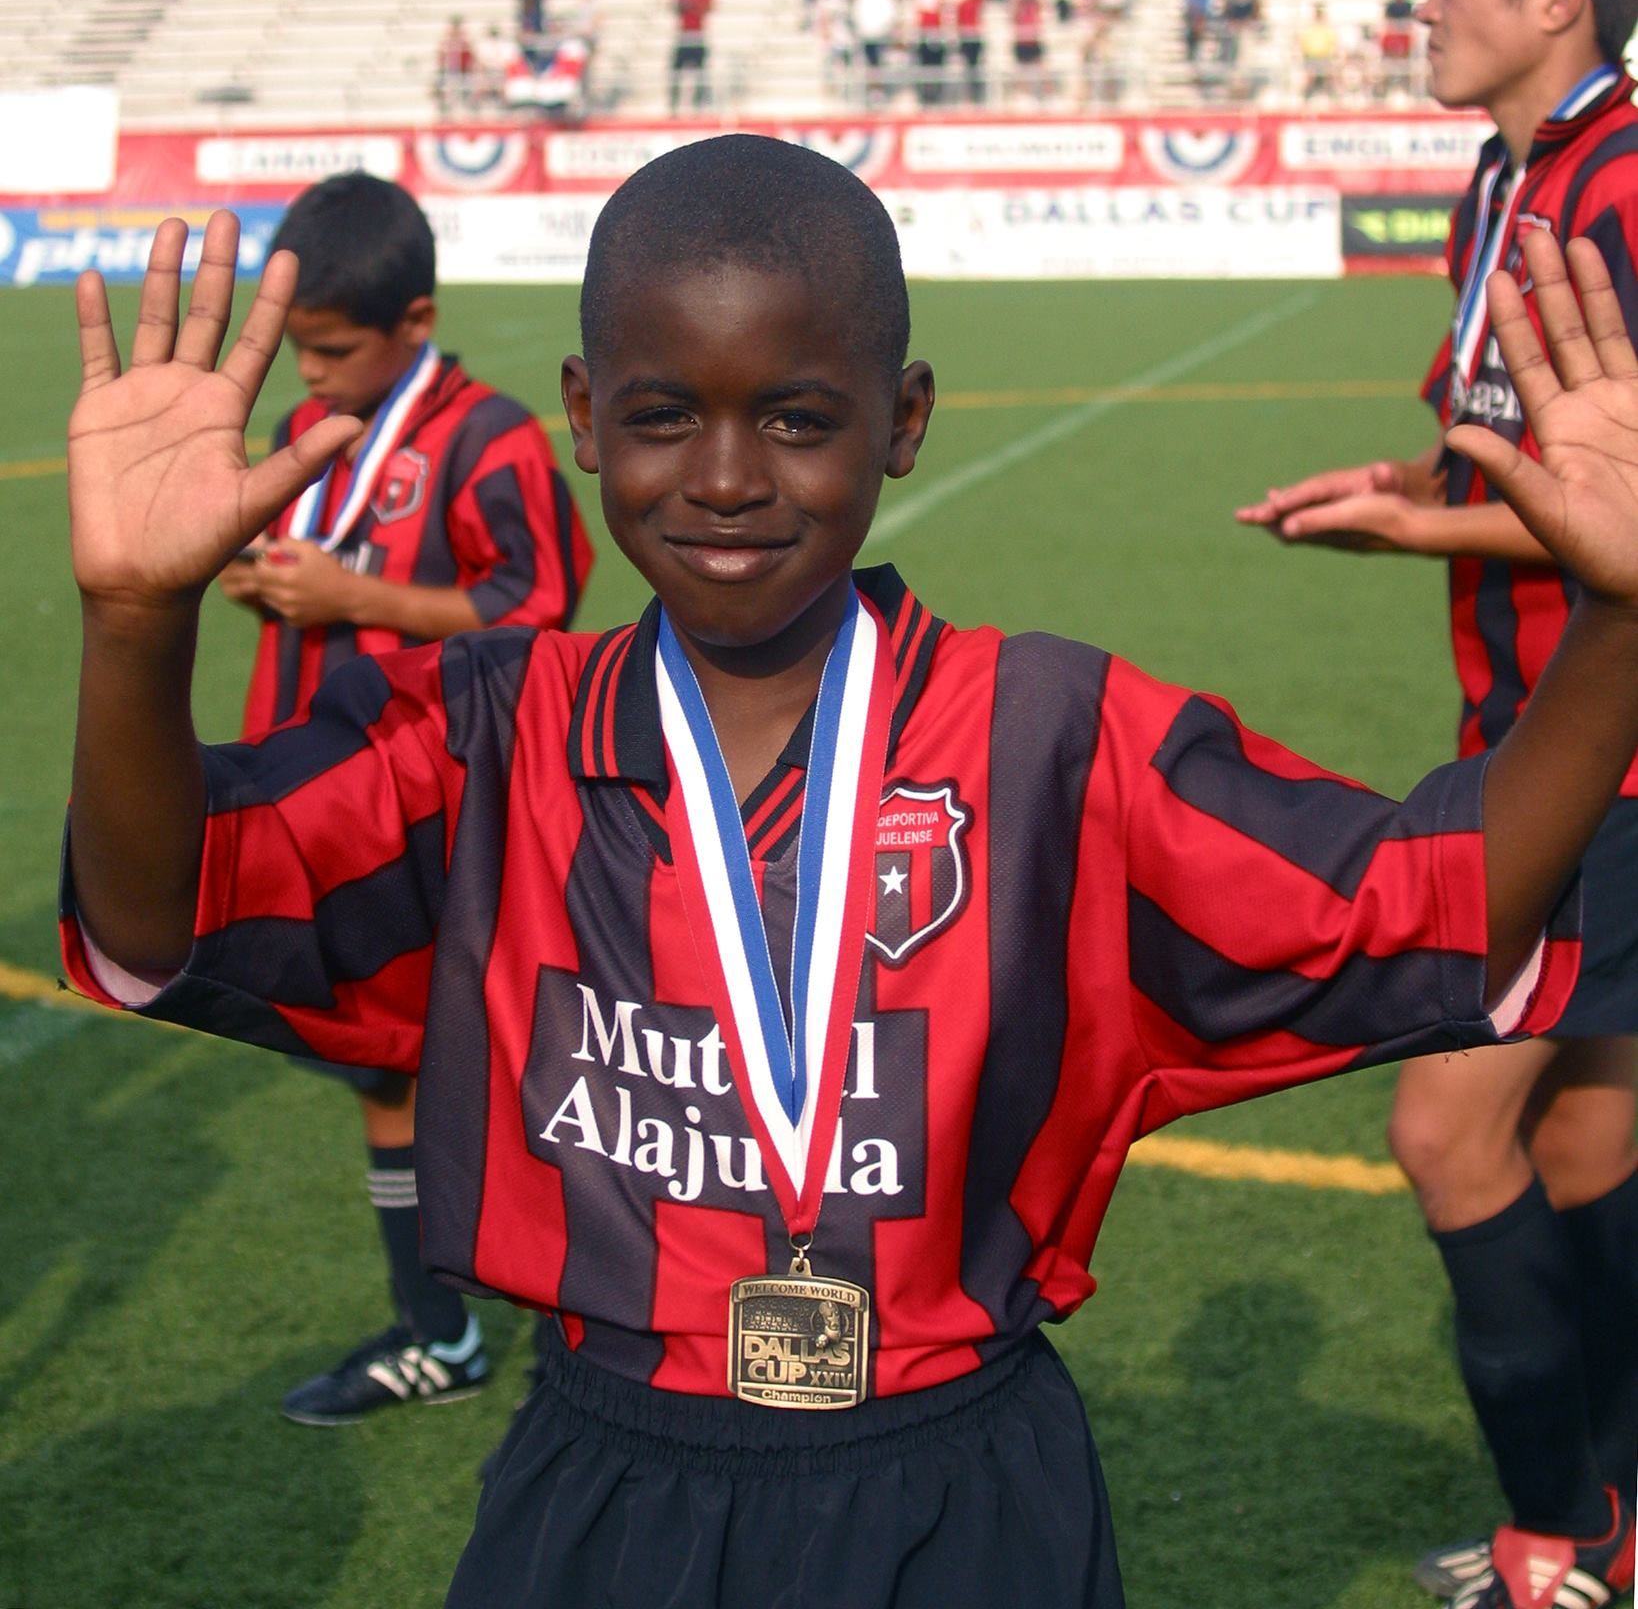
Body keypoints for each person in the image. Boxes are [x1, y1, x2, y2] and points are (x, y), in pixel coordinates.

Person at [57, 123, 1638, 1609]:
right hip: (603, 1466)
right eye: (666, 414)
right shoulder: (493, 738)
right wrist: (137, 629)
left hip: (960, 1480)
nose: (729, 476)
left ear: (904, 420)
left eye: (798, 418)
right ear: (586, 414)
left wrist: (1624, 617)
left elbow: (1423, 909)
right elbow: (162, 919)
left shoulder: (1049, 738)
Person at [1236, 0, 1638, 1609]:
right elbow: (1495, 437)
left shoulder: (1624, 186)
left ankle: (1557, 1540)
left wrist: (1426, 525)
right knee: (1578, 1141)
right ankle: (1612, 1518)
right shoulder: (1502, 176)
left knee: (1442, 1130)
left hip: (1603, 756)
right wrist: (1395, 484)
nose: (1420, 4)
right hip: (1531, 728)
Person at [206, 173, 593, 1426]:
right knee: (385, 1070)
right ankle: (448, 1329)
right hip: (331, 812)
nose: (306, 375)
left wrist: (354, 600)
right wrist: (268, 585)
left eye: (327, 349)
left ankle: (538, 1316)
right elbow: (311, 572)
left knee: (502, 1065)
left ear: (412, 320)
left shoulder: (492, 439)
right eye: (295, 350)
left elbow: (537, 612)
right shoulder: (301, 439)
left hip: (453, 813)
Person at [850, 0, 898, 106]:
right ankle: (874, 91)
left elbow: (891, 6)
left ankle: (880, 90)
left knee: (882, 62)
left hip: (882, 30)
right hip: (868, 31)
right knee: (872, 63)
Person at [670, 0, 713, 114]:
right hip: (684, 34)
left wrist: (692, 5)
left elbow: (708, 8)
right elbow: (675, 7)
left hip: (697, 34)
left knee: (700, 73)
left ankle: (699, 106)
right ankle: (674, 107)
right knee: (676, 72)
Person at [910, 0, 947, 107]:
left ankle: (936, 94)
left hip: (935, 33)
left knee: (936, 65)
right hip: (924, 34)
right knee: (924, 65)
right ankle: (925, 95)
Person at [1011, 0, 1049, 104]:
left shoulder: (1035, 2)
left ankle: (1042, 95)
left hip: (1033, 39)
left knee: (1040, 68)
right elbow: (1014, 17)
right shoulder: (1021, 2)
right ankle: (1022, 96)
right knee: (1022, 70)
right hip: (1023, 40)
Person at [954, 0, 986, 105]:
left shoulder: (976, 1)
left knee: (977, 67)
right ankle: (969, 96)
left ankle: (977, 95)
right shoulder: (963, 4)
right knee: (967, 68)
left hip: (975, 37)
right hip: (966, 37)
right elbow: (959, 21)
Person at [434, 17, 476, 117]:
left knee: (468, 84)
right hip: (449, 72)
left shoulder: (465, 43)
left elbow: (471, 58)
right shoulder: (446, 43)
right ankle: (446, 110)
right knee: (445, 87)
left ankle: (466, 108)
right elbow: (440, 59)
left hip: (463, 72)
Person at [1298, 1, 1338, 99]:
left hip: (1325, 59)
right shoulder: (1308, 28)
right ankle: (1305, 99)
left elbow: (1333, 45)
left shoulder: (1328, 28)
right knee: (1308, 78)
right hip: (1311, 59)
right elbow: (1303, 45)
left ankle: (1333, 99)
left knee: (1331, 77)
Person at [1181, 0, 1215, 67]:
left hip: (1202, 24)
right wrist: (1193, 22)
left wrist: (1202, 22)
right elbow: (1188, 12)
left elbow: (1208, 12)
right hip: (1193, 25)